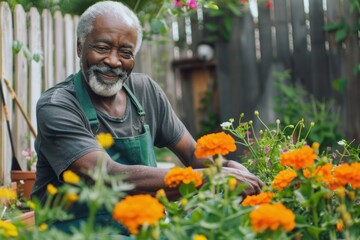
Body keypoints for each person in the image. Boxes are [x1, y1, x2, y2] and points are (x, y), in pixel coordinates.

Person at [31, 0, 263, 234]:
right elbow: (107, 176)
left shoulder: (145, 91)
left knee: (233, 219)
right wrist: (212, 177)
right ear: (80, 47)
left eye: (125, 53)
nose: (113, 61)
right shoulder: (58, 106)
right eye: (102, 48)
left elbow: (193, 153)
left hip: (145, 228)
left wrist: (227, 167)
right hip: (79, 232)